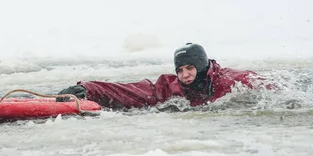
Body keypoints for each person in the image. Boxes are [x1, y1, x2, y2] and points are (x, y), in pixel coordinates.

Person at [56, 43, 260, 109]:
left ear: (200, 65)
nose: (184, 75)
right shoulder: (170, 87)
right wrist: (88, 89)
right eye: (179, 70)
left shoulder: (232, 81)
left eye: (189, 68)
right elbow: (131, 91)